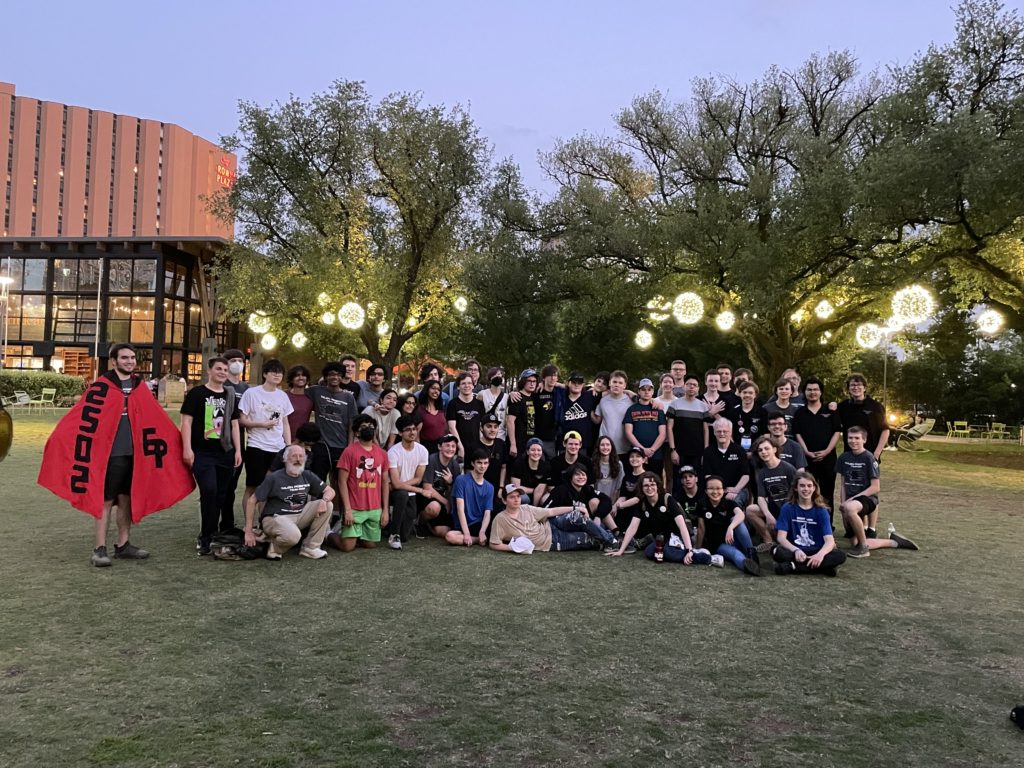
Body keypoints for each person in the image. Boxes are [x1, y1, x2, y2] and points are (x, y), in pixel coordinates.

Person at [39, 342, 193, 567]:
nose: (130, 361)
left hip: (136, 456)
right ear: (113, 361)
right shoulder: (101, 387)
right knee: (105, 501)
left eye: (132, 358)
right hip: (109, 457)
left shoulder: (140, 387)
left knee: (127, 500)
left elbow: (156, 419)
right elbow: (80, 420)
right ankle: (99, 549)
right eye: (124, 358)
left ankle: (123, 545)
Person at [180, 356, 243, 555]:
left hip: (225, 452)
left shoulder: (230, 395)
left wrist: (238, 450)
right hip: (202, 452)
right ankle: (205, 536)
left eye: (225, 369)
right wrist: (187, 448)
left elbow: (234, 424)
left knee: (221, 495)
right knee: (209, 490)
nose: (223, 372)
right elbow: (186, 422)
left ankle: (213, 534)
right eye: (219, 368)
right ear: (209, 370)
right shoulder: (197, 393)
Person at [838, 426, 919, 557]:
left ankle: (864, 549)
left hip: (867, 499)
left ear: (864, 440)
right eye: (850, 438)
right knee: (854, 542)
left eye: (857, 438)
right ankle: (894, 542)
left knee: (850, 508)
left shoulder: (869, 458)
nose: (853, 441)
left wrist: (851, 501)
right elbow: (843, 485)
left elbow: (875, 487)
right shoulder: (843, 458)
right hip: (850, 501)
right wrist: (842, 504)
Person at [244, 444, 334, 560]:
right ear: (285, 459)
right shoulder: (274, 477)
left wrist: (324, 500)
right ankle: (272, 547)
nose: (298, 459)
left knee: (328, 505)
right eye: (294, 456)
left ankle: (310, 548)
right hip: (275, 517)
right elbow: (252, 501)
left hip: (298, 515)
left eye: (301, 456)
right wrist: (248, 530)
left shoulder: (307, 475)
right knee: (294, 536)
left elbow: (330, 491)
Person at [239, 358, 294, 524]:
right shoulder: (252, 393)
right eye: (273, 371)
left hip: (277, 448)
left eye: (280, 372)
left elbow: (285, 423)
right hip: (257, 446)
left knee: (272, 488)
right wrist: (261, 424)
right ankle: (250, 523)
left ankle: (265, 524)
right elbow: (242, 420)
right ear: (264, 374)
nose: (277, 375)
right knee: (253, 486)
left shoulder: (283, 396)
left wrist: (288, 446)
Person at [489, 484, 617, 553]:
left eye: (518, 496)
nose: (517, 499)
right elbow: (494, 543)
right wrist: (512, 548)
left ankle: (612, 542)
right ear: (504, 500)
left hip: (552, 524)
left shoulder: (526, 508)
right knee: (589, 539)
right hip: (551, 542)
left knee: (578, 516)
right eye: (512, 497)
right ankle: (617, 540)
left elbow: (550, 511)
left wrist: (575, 508)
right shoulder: (500, 519)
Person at [607, 472, 697, 562]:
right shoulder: (642, 503)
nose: (649, 488)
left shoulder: (667, 499)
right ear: (641, 488)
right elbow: (632, 527)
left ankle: (697, 555)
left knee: (668, 554)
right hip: (661, 539)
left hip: (677, 537)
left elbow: (682, 527)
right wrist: (621, 550)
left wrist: (689, 550)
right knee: (649, 552)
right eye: (646, 485)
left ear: (657, 486)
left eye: (652, 484)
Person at [772, 470, 846, 576]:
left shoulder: (821, 511)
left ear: (814, 488)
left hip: (816, 550)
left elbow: (830, 541)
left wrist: (819, 555)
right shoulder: (787, 508)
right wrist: (796, 550)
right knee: (777, 552)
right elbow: (781, 537)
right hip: (796, 551)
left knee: (840, 555)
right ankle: (822, 568)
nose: (806, 489)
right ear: (795, 488)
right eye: (802, 486)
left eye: (809, 486)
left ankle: (793, 566)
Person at [334, 414, 390, 551]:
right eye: (364, 426)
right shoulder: (349, 452)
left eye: (371, 426)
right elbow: (341, 482)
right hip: (354, 508)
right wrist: (347, 510)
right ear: (357, 432)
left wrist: (385, 511)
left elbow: (385, 482)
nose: (368, 429)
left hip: (374, 508)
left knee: (370, 545)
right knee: (347, 547)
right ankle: (329, 534)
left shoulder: (382, 454)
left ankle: (358, 534)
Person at [792, 376, 842, 516]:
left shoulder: (830, 411)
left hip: (828, 459)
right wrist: (806, 451)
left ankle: (827, 525)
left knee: (826, 493)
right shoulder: (800, 413)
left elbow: (837, 432)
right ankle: (809, 521)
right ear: (805, 392)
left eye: (815, 389)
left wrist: (826, 451)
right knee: (807, 492)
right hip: (807, 459)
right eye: (809, 390)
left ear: (821, 392)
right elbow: (797, 434)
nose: (812, 392)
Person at [307, 362, 358, 496]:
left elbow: (352, 423)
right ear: (326, 377)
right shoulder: (316, 391)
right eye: (331, 375)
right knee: (318, 480)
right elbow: (298, 393)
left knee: (339, 481)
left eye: (338, 375)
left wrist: (350, 445)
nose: (335, 377)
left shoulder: (348, 397)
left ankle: (336, 514)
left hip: (341, 445)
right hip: (321, 444)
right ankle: (315, 510)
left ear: (342, 377)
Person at [694, 475, 762, 576]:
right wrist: (697, 549)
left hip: (736, 540)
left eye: (718, 488)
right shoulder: (702, 505)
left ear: (724, 490)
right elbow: (701, 529)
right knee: (735, 554)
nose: (715, 492)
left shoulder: (729, 504)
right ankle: (748, 566)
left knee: (738, 522)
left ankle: (752, 554)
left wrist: (730, 527)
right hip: (719, 545)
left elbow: (741, 514)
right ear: (705, 491)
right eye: (711, 488)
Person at [545, 463, 618, 549]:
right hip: (558, 523)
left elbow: (606, 500)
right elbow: (545, 510)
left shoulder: (587, 489)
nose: (581, 477)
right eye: (577, 474)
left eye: (583, 474)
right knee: (578, 516)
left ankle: (616, 534)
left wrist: (598, 516)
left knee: (596, 521)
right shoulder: (561, 490)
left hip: (577, 526)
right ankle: (612, 541)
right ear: (570, 477)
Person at [744, 436, 797, 551]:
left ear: (774, 449)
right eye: (760, 450)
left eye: (766, 448)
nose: (763, 452)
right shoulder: (762, 473)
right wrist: (768, 515)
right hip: (774, 509)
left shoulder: (788, 468)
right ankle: (768, 541)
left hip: (790, 510)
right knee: (750, 510)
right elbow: (761, 497)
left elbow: (798, 494)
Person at [385, 414, 429, 550]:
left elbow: (418, 479)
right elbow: (396, 485)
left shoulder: (422, 451)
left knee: (405, 536)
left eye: (414, 429)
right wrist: (421, 490)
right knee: (402, 494)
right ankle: (393, 535)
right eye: (408, 429)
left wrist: (401, 484)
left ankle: (395, 531)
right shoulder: (393, 452)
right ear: (400, 432)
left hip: (409, 492)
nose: (412, 432)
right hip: (395, 493)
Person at [447, 448, 494, 546]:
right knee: (450, 536)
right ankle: (478, 540)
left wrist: (482, 531)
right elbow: (460, 509)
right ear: (473, 464)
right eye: (479, 463)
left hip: (479, 525)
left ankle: (482, 537)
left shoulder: (490, 487)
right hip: (463, 525)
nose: (482, 466)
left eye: (485, 463)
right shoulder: (461, 480)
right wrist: (467, 533)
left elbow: (487, 513)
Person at [836, 373, 889, 460]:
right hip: (849, 455)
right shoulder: (842, 407)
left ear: (864, 388)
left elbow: (885, 430)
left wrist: (877, 453)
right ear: (848, 389)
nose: (855, 387)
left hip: (871, 455)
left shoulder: (876, 406)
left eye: (859, 385)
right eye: (852, 385)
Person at [701, 417, 751, 509]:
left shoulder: (739, 450)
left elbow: (746, 476)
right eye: (719, 431)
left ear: (730, 432)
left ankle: (737, 522)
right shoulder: (708, 452)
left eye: (725, 431)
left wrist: (735, 490)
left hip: (738, 490)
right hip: (716, 490)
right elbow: (707, 476)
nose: (722, 434)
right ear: (714, 432)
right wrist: (721, 491)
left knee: (735, 504)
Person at [667, 374, 710, 479]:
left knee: (697, 480)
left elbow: (706, 430)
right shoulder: (674, 404)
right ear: (683, 386)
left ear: (698, 388)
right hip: (679, 452)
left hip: (697, 452)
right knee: (678, 481)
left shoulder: (703, 407)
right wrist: (673, 450)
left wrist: (705, 452)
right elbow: (669, 428)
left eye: (694, 385)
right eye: (689, 384)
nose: (691, 387)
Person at [419, 434, 463, 537]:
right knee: (434, 507)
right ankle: (420, 522)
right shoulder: (432, 459)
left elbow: (453, 492)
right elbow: (427, 487)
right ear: (439, 447)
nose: (450, 449)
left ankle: (429, 526)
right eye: (447, 445)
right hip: (427, 497)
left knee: (444, 531)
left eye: (453, 446)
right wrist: (445, 502)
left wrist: (450, 483)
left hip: (443, 499)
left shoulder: (455, 465)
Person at [623, 377, 668, 476]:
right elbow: (628, 432)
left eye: (649, 389)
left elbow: (663, 433)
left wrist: (652, 449)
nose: (646, 392)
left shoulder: (658, 410)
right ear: (639, 391)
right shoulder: (631, 409)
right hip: (637, 454)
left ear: (653, 392)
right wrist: (642, 450)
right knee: (637, 481)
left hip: (656, 454)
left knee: (655, 481)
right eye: (643, 389)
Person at [593, 370, 633, 459]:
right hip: (605, 447)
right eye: (614, 382)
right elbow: (597, 420)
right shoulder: (603, 400)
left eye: (620, 383)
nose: (617, 385)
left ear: (624, 385)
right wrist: (588, 409)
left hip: (624, 447)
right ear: (610, 383)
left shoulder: (631, 402)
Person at [447, 372, 485, 459]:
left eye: (469, 383)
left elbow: (481, 427)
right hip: (457, 448)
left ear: (473, 386)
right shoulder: (453, 404)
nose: (466, 386)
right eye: (463, 383)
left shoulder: (479, 404)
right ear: (458, 386)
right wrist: (460, 448)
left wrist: (481, 445)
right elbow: (452, 428)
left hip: (475, 448)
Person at [559, 371, 599, 452]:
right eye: (574, 382)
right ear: (568, 383)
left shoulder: (590, 396)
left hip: (584, 445)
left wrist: (629, 392)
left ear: (583, 384)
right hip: (565, 444)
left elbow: (610, 392)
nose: (577, 385)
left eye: (580, 382)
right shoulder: (561, 396)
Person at [506, 368, 539, 462]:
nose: (532, 384)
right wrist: (513, 444)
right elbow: (510, 421)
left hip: (530, 443)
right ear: (523, 382)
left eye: (534, 381)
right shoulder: (517, 397)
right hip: (518, 443)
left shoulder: (533, 398)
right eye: (529, 381)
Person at [477, 413, 507, 509]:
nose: (493, 430)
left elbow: (503, 467)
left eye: (495, 427)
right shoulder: (474, 445)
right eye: (489, 426)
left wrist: (501, 488)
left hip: (497, 488)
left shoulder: (501, 444)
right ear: (481, 428)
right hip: (479, 488)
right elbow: (469, 471)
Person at [728, 380, 767, 453]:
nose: (747, 395)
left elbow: (766, 434)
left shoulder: (762, 412)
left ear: (755, 395)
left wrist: (755, 450)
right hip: (737, 451)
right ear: (740, 393)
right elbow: (729, 435)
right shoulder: (733, 412)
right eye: (744, 392)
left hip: (757, 452)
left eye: (750, 393)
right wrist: (736, 449)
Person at [510, 437, 551, 505]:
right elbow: (516, 487)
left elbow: (541, 489)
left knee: (547, 498)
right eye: (533, 450)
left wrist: (534, 508)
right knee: (524, 499)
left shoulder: (545, 467)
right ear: (527, 452)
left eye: (539, 450)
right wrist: (533, 490)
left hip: (538, 495)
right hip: (522, 493)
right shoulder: (519, 464)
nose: (536, 453)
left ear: (542, 452)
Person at [477, 366, 510, 441]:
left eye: (499, 375)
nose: (497, 377)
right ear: (490, 378)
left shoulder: (507, 397)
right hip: (485, 435)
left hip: (501, 435)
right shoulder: (482, 395)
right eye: (494, 375)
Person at [416, 380, 448, 454]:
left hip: (442, 448)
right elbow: (416, 435)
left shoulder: (441, 409)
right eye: (433, 388)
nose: (436, 391)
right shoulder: (420, 410)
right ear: (427, 389)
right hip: (426, 448)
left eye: (438, 389)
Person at [285, 364, 314, 436]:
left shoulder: (311, 397)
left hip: (302, 440)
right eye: (297, 375)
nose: (300, 378)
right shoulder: (284, 395)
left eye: (303, 375)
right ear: (291, 379)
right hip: (281, 439)